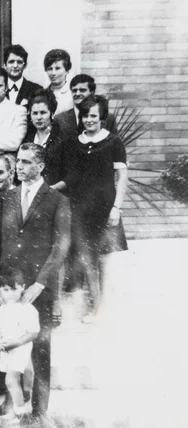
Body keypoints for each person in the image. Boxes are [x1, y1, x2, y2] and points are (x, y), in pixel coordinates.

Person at [0, 143, 71, 418]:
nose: (19, 167)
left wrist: (40, 283)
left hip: (38, 289)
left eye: (25, 162)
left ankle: (39, 412)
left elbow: (61, 246)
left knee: (40, 351)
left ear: (41, 166)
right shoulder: (7, 198)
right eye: (18, 162)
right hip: (9, 289)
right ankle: (13, 405)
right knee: (8, 348)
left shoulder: (57, 200)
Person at [52, 95, 128, 323]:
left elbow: (122, 177)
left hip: (106, 209)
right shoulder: (75, 143)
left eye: (93, 115)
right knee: (86, 259)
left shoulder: (114, 142)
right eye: (85, 115)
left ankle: (101, 308)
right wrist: (50, 189)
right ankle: (94, 306)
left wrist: (117, 208)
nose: (89, 120)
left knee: (103, 261)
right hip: (81, 208)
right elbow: (73, 177)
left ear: (102, 117)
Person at [0, 268, 40, 422]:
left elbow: (33, 333)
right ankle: (24, 398)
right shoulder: (3, 308)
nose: (10, 293)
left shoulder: (27, 308)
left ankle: (21, 414)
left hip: (19, 348)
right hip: (7, 350)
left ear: (23, 287)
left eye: (14, 289)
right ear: (1, 291)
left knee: (10, 380)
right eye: (5, 290)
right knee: (22, 376)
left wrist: (14, 343)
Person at [54, 73, 118, 141]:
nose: (77, 94)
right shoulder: (60, 119)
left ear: (92, 93)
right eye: (74, 90)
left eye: (82, 90)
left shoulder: (108, 118)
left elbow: (114, 147)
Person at [24, 90, 66, 185]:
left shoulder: (62, 138)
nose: (38, 117)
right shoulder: (27, 138)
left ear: (52, 114)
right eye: (35, 113)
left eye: (43, 113)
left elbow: (71, 174)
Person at [43, 49, 74, 115]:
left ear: (67, 70)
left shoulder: (73, 94)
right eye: (50, 69)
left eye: (57, 68)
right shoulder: (42, 94)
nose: (53, 73)